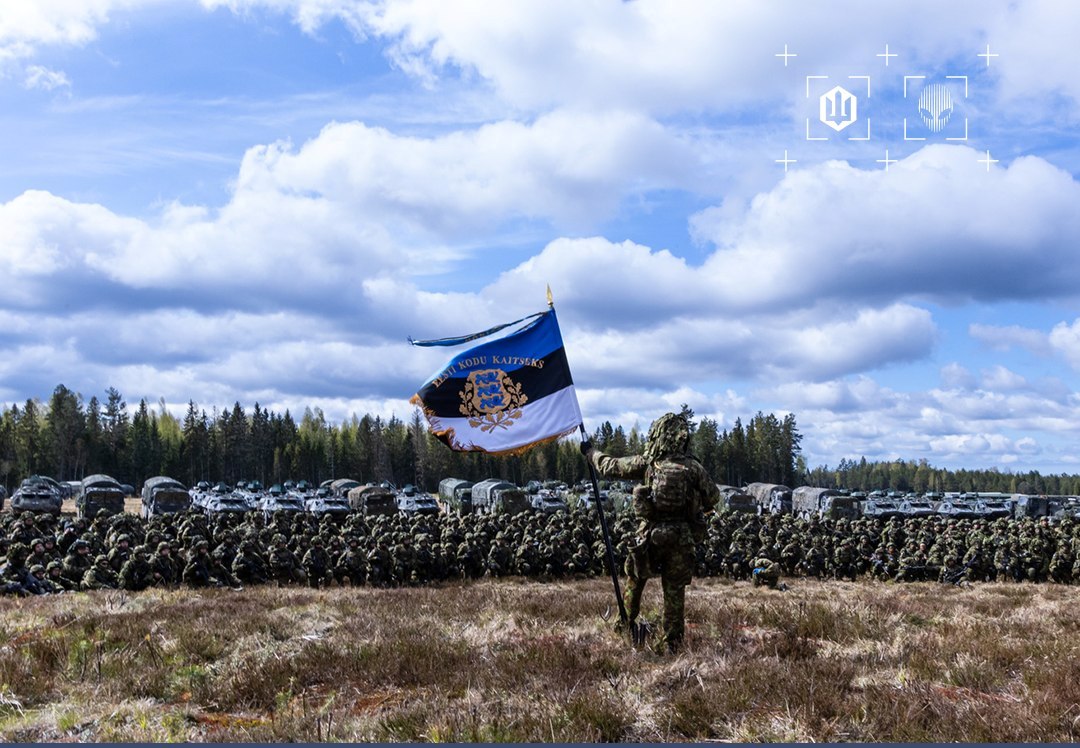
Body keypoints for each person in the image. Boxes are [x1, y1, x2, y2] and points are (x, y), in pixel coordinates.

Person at [582, 412, 718, 653]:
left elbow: (610, 466)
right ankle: (672, 644)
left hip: (649, 535)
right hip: (680, 539)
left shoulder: (647, 463)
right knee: (674, 591)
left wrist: (590, 453)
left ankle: (623, 626)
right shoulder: (693, 468)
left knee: (635, 580)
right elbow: (713, 497)